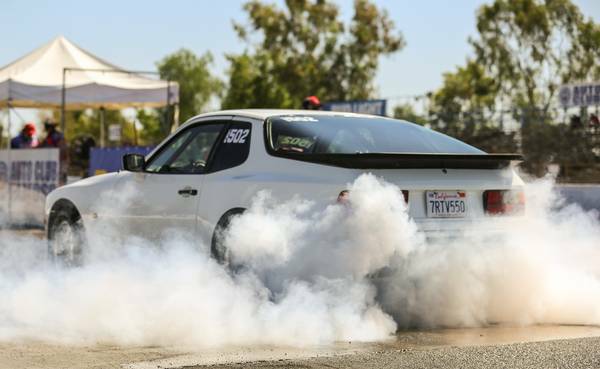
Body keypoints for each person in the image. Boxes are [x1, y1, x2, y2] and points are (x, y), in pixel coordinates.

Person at [40, 119, 68, 184]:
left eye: (48, 127)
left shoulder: (58, 135)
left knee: (60, 180)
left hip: (59, 161)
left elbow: (63, 148)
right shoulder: (48, 136)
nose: (47, 129)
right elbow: (43, 146)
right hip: (51, 162)